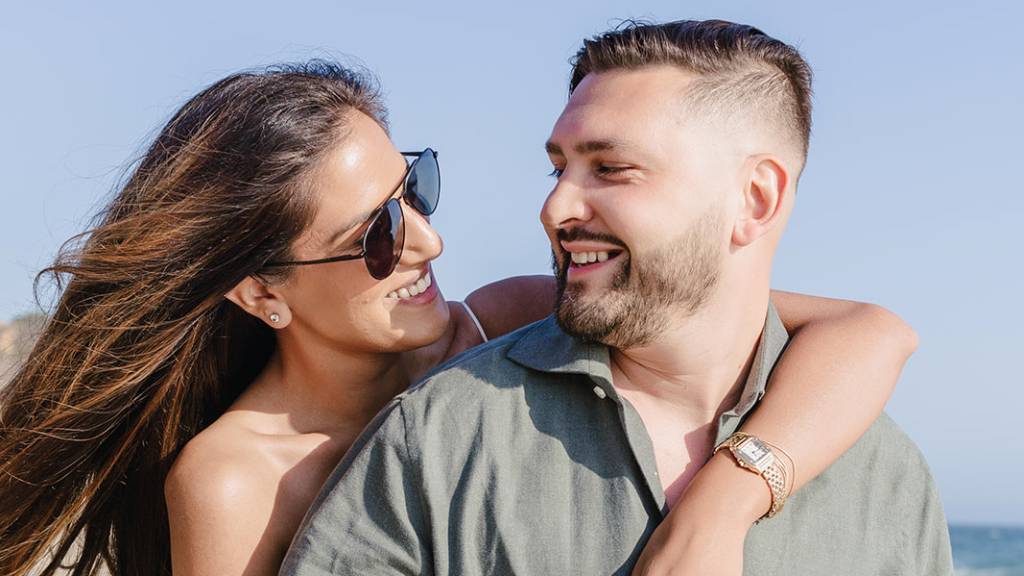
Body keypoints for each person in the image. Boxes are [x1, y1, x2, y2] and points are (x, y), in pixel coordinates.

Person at [0, 60, 913, 576]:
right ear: (262, 292)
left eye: (416, 191)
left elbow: (869, 331)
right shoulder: (234, 478)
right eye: (375, 237)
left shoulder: (504, 324)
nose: (428, 244)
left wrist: (719, 509)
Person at [281, 20, 953, 576]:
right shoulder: (440, 435)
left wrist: (731, 496)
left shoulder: (886, 478)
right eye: (558, 167)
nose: (555, 207)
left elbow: (879, 330)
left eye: (610, 169)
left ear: (755, 199)